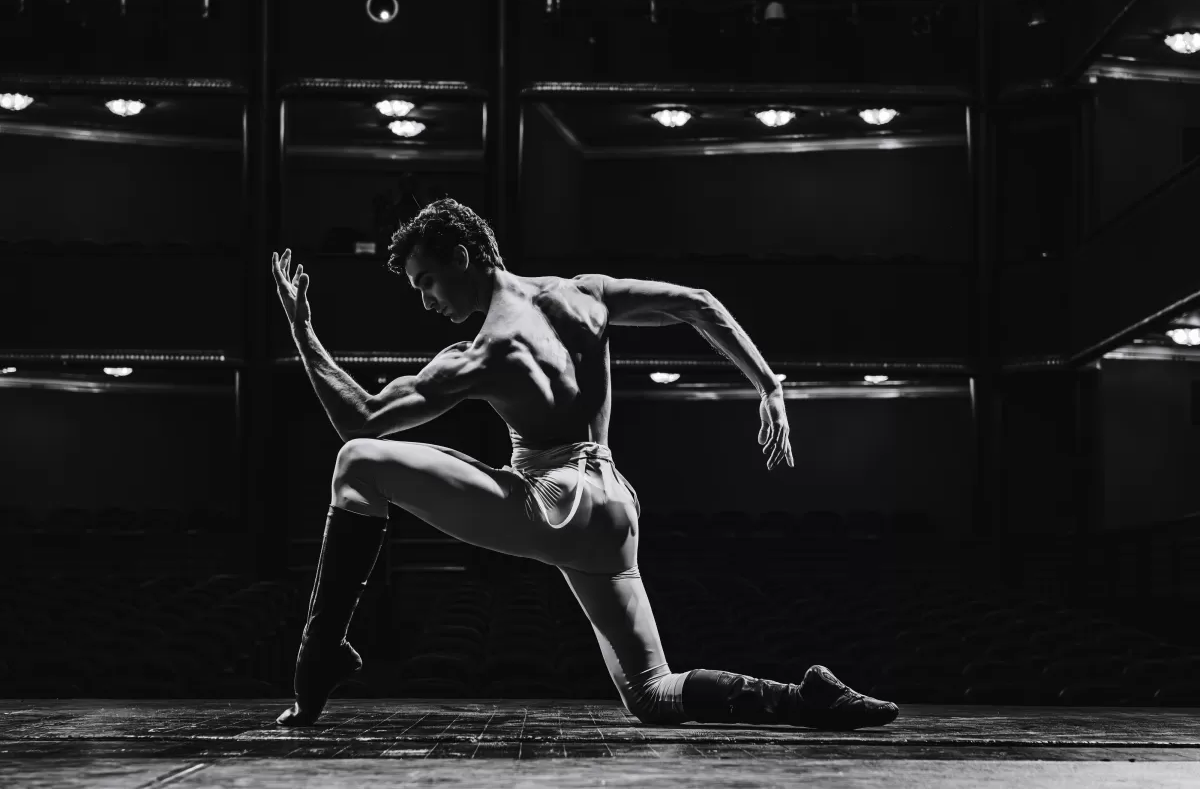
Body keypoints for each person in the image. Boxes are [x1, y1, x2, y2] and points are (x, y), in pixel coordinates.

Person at [269, 198, 900, 730]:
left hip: (556, 501)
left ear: (461, 257)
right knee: (652, 693)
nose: (426, 302)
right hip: (615, 508)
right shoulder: (585, 293)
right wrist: (768, 386)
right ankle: (804, 697)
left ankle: (319, 654)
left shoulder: (480, 354)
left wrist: (303, 333)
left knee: (357, 461)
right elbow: (698, 302)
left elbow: (363, 418)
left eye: (425, 282)